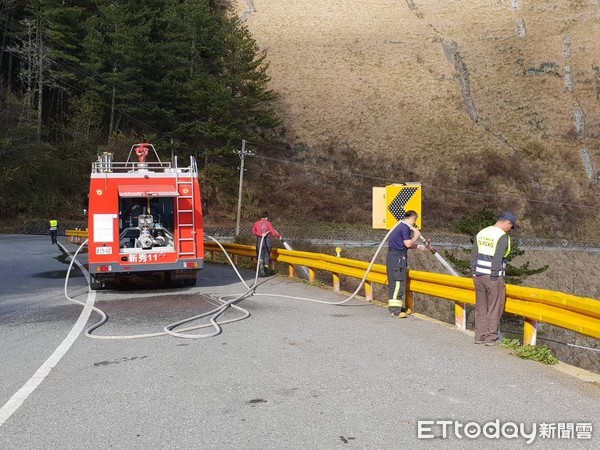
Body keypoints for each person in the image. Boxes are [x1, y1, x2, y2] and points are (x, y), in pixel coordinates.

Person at [470, 211, 518, 346]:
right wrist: (494, 276)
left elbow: (474, 253)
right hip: (493, 277)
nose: (510, 230)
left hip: (478, 275)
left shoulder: (482, 232)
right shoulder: (502, 237)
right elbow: (497, 258)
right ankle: (491, 338)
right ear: (507, 223)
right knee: (494, 307)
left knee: (481, 307)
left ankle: (479, 336)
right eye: (511, 227)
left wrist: (473, 271)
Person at [386, 210, 429, 318]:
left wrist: (419, 247)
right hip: (397, 259)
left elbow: (404, 244)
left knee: (397, 283)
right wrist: (417, 235)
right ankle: (395, 310)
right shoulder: (405, 227)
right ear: (413, 218)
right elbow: (408, 243)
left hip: (395, 257)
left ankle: (398, 307)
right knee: (397, 283)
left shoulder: (399, 226)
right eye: (415, 220)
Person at [251, 211, 282, 276]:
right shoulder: (268, 223)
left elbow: (253, 231)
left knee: (260, 254)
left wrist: (260, 234)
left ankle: (261, 265)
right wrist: (279, 236)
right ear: (266, 217)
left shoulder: (256, 223)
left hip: (259, 240)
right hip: (267, 240)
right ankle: (266, 269)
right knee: (267, 254)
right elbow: (273, 232)